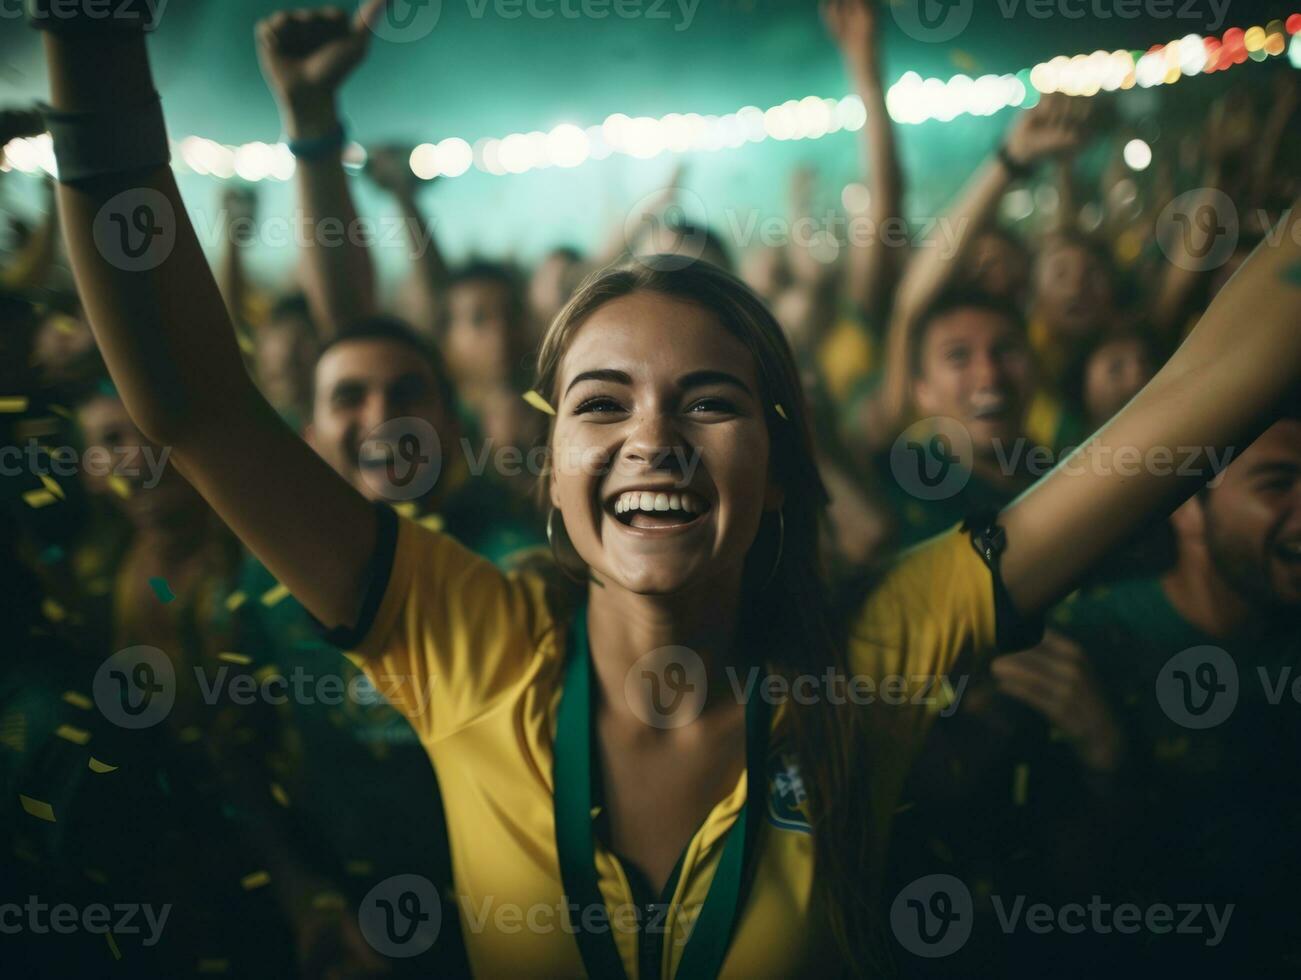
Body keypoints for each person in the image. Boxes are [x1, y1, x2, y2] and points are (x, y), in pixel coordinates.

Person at [33, 4, 1301, 976]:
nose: (653, 437)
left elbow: (1195, 401)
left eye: (708, 400)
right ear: (552, 479)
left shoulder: (876, 649)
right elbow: (197, 404)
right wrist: (89, 44)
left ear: (781, 469)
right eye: (600, 404)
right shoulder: (467, 644)